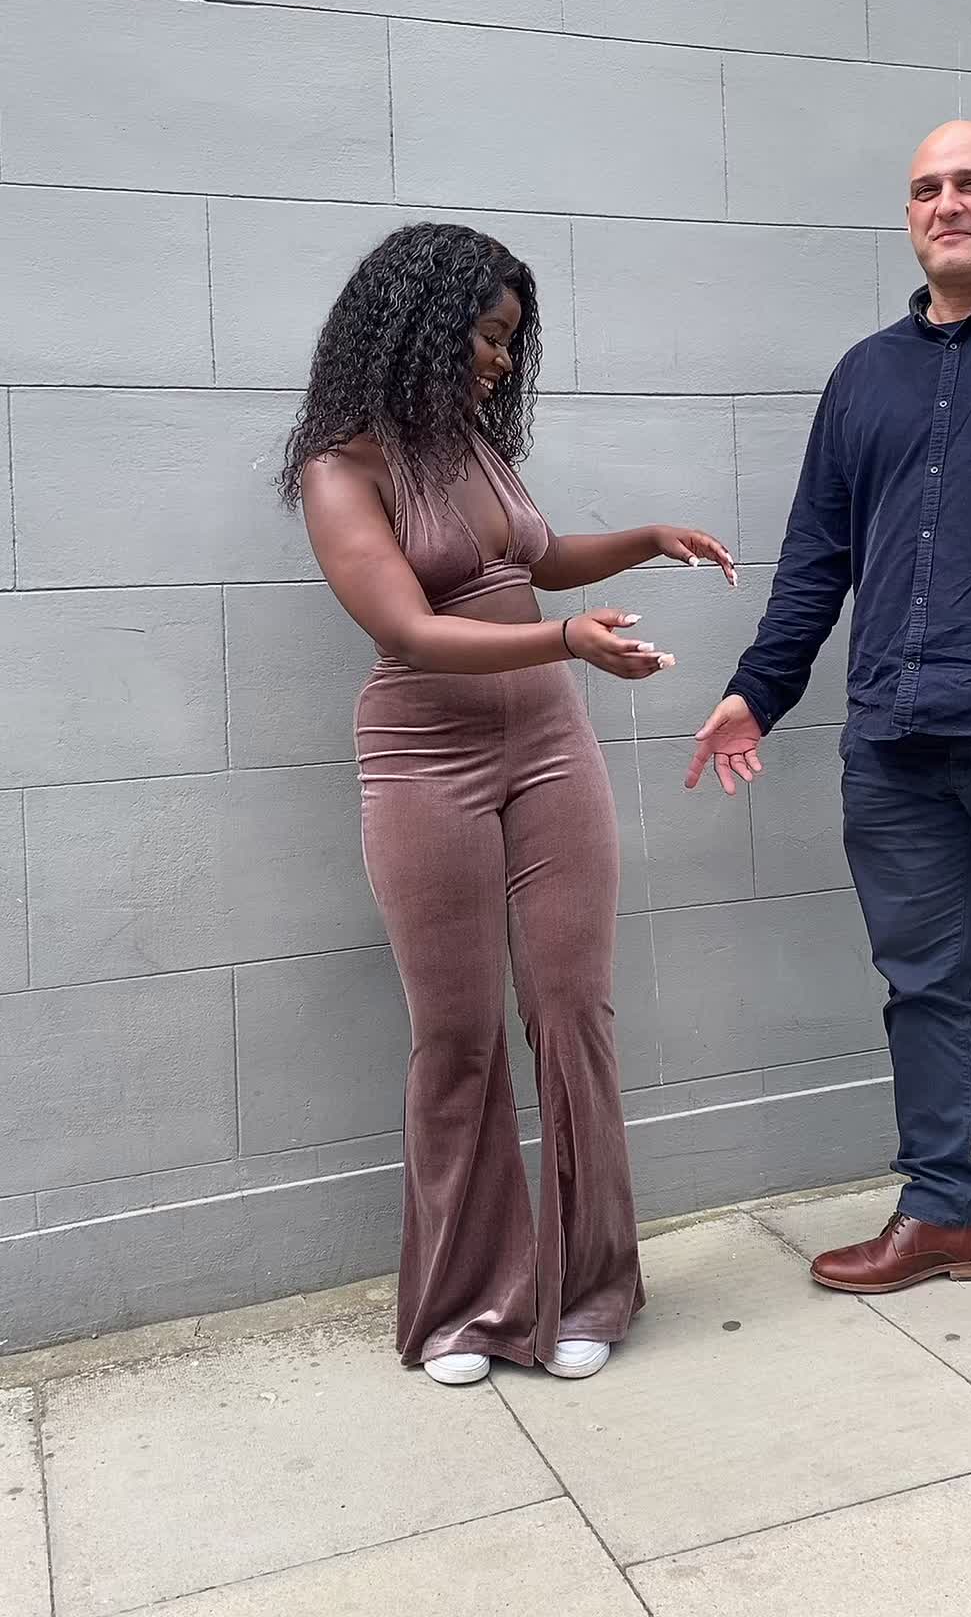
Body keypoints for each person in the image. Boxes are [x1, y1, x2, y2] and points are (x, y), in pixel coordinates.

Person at [282, 222, 735, 1381]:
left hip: (549, 747)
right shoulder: (343, 470)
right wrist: (568, 642)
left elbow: (534, 557)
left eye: (509, 343)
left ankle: (591, 1289)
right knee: (458, 1034)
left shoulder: (476, 449)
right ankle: (465, 1308)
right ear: (420, 326)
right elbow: (411, 629)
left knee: (572, 1008)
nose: (498, 361)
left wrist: (644, 540)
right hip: (423, 759)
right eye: (486, 337)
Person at [687, 120, 971, 1293]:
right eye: (925, 188)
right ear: (909, 215)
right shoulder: (863, 375)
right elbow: (819, 553)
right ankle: (946, 1214)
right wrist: (757, 691)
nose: (947, 202)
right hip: (898, 747)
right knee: (922, 989)